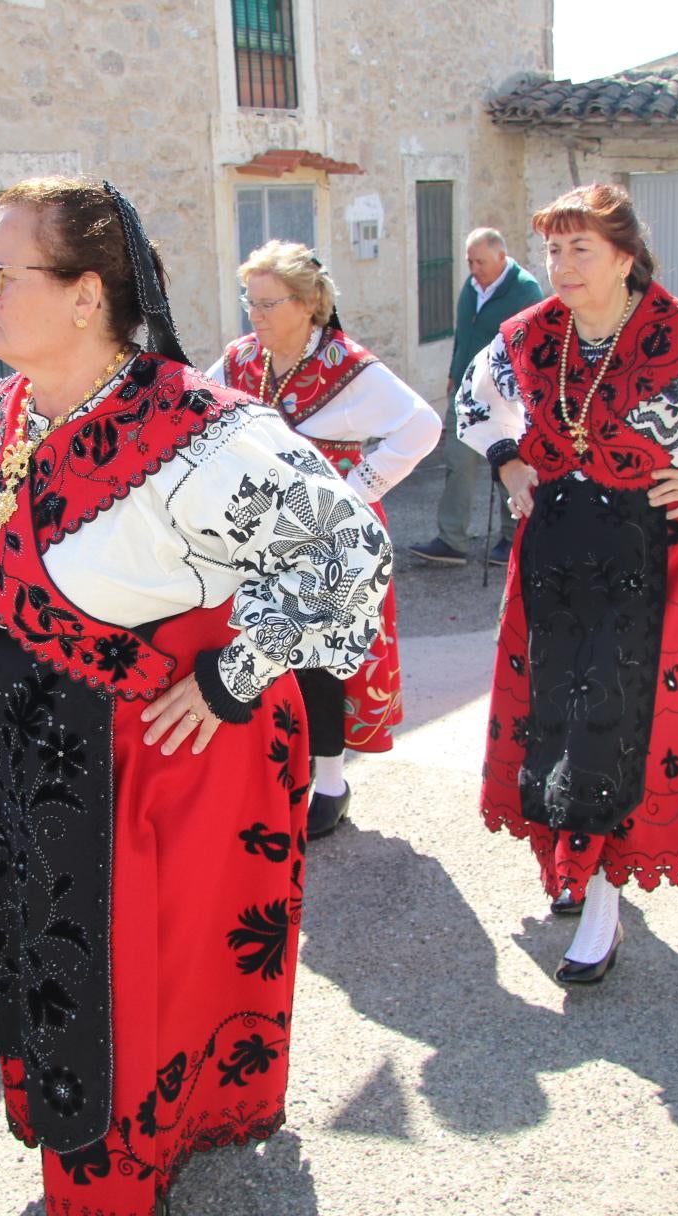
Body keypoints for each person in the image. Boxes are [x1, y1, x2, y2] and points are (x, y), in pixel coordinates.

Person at [0, 178, 388, 1214]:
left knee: (126, 992)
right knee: (47, 968)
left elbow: (348, 548)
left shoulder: (196, 430)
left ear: (88, 295)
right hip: (30, 758)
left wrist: (232, 674)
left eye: (3, 273)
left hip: (139, 777)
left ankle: (112, 1180)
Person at [458, 183, 678, 984]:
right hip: (553, 549)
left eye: (581, 249)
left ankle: (604, 897)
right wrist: (508, 460)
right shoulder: (527, 333)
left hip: (650, 551)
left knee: (618, 726)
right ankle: (572, 863)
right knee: (555, 714)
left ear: (625, 257)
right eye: (552, 249)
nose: (562, 265)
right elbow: (469, 403)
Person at [207, 239, 440, 833]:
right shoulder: (239, 361)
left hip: (330, 538)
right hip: (257, 533)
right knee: (262, 648)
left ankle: (331, 783)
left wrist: (354, 491)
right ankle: (277, 772)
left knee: (320, 658)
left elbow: (422, 426)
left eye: (267, 304)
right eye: (249, 303)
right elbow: (199, 418)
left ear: (309, 303)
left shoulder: (349, 367)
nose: (254, 316)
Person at [410, 228, 544, 567]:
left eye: (480, 261)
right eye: (470, 261)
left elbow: (532, 347)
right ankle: (451, 539)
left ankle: (514, 538)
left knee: (508, 464)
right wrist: (454, 375)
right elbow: (463, 335)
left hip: (505, 394)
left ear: (501, 257)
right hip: (465, 392)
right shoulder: (470, 288)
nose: (474, 268)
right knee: (457, 462)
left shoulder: (526, 291)